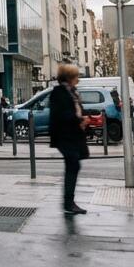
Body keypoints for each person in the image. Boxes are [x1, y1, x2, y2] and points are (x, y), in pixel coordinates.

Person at [49, 64, 89, 215]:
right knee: (73, 164)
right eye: (76, 76)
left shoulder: (72, 92)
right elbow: (62, 114)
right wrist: (79, 119)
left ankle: (69, 202)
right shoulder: (59, 92)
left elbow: (76, 110)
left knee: (73, 165)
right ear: (69, 77)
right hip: (64, 135)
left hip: (72, 134)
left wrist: (84, 118)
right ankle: (68, 202)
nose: (78, 79)